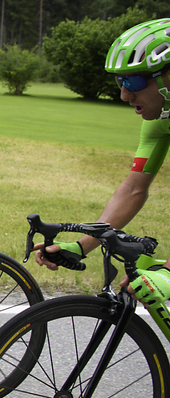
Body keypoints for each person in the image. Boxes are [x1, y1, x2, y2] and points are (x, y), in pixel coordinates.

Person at [34, 18, 170, 307]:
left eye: (132, 81)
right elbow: (133, 189)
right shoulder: (160, 121)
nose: (124, 94)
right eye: (120, 82)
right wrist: (83, 245)